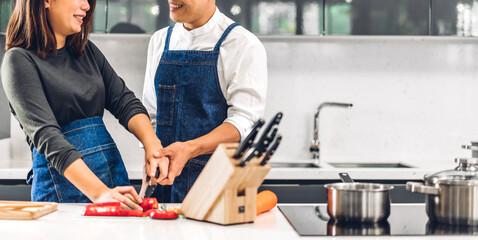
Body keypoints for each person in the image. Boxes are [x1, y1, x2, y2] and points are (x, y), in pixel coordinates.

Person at [1, 0, 168, 209]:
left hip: (111, 182)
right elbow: (49, 139)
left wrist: (153, 146)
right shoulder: (19, 60)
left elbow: (124, 101)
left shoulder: (86, 50)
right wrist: (99, 194)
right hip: (63, 190)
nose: (87, 6)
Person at [142, 0, 268, 203]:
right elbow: (151, 113)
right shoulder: (159, 40)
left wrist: (189, 149)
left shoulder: (242, 44)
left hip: (218, 187)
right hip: (163, 184)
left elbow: (245, 122)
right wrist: (154, 153)